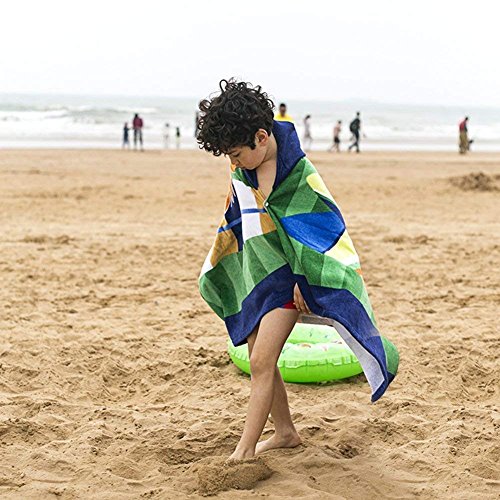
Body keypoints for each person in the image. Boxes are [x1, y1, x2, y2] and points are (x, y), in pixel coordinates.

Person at [197, 79, 398, 461]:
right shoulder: (244, 171)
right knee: (259, 353)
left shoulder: (298, 172)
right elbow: (242, 223)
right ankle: (286, 432)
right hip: (264, 274)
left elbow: (321, 229)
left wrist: (307, 280)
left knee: (260, 362)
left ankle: (243, 454)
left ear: (261, 136)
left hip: (294, 281)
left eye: (237, 153)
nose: (233, 163)